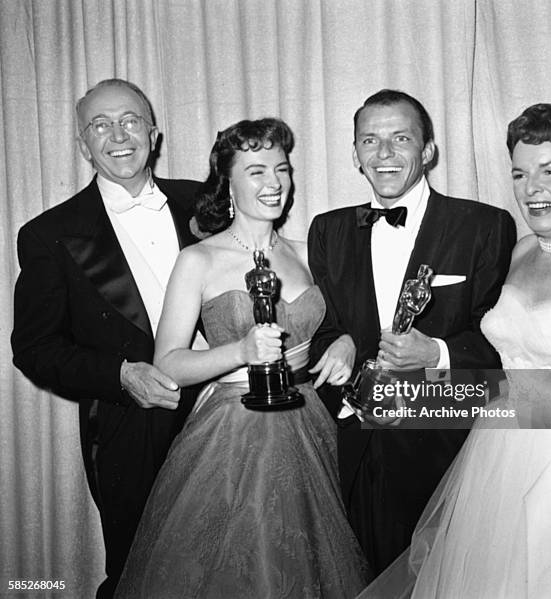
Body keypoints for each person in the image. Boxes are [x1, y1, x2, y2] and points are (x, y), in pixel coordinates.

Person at [358, 103, 551, 598]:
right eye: (519, 173)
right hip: (498, 454)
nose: (531, 187)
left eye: (550, 171)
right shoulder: (521, 251)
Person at [115, 118, 371, 598]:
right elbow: (167, 362)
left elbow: (342, 325)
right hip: (231, 435)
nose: (273, 182)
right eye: (256, 171)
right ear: (227, 183)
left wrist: (347, 341)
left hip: (311, 425)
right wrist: (240, 351)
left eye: (282, 168)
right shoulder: (200, 259)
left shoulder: (309, 253)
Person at [307, 89, 517, 573]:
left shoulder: (484, 226)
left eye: (400, 138)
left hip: (443, 446)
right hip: (354, 446)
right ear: (355, 154)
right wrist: (336, 342)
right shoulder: (327, 231)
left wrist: (437, 353)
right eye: (369, 140)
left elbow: (505, 339)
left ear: (428, 151)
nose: (384, 154)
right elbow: (320, 328)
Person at [11, 78, 202, 598]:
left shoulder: (205, 202)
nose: (118, 135)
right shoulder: (48, 233)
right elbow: (33, 348)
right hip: (129, 426)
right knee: (142, 573)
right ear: (83, 144)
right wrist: (120, 375)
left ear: (154, 133)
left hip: (225, 415)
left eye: (130, 121)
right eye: (100, 125)